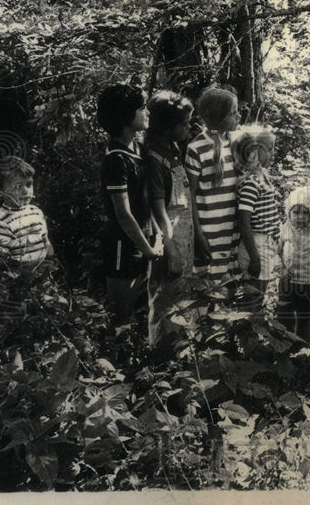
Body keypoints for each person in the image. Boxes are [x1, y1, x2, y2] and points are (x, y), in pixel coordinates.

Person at [97, 84, 161, 329]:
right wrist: (147, 249)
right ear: (125, 115)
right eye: (141, 108)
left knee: (142, 312)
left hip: (145, 242)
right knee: (121, 317)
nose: (147, 112)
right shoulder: (115, 159)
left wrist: (155, 234)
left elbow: (145, 201)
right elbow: (123, 214)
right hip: (124, 246)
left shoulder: (139, 151)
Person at [144, 90, 196, 347]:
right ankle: (161, 360)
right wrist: (171, 248)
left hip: (184, 239)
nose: (189, 128)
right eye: (184, 124)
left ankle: (183, 355)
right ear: (167, 127)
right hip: (169, 242)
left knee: (182, 301)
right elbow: (157, 209)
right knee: (165, 303)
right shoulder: (153, 158)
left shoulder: (173, 150)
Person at [185, 87, 241, 293]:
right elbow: (189, 196)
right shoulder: (196, 148)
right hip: (209, 233)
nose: (238, 116)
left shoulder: (236, 144)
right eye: (233, 112)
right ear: (220, 117)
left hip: (232, 234)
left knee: (229, 289)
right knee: (208, 291)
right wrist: (198, 235)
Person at [234, 127, 282, 311]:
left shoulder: (262, 177)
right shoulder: (250, 183)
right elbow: (244, 221)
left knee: (259, 297)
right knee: (252, 300)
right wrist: (254, 258)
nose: (272, 153)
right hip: (256, 245)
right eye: (269, 149)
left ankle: (252, 334)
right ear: (255, 151)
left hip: (266, 244)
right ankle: (246, 336)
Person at [276, 187, 310, 347]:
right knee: (284, 315)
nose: (300, 217)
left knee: (305, 315)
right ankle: (283, 346)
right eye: (296, 212)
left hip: (308, 282)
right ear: (288, 213)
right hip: (287, 282)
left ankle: (304, 348)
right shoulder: (284, 231)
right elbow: (276, 253)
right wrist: (281, 270)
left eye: (305, 212)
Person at [0, 156, 54, 289]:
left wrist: (50, 260)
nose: (25, 191)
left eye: (28, 184)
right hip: (19, 280)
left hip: (42, 273)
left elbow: (45, 241)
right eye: (17, 186)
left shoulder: (36, 212)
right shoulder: (3, 222)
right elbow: (0, 259)